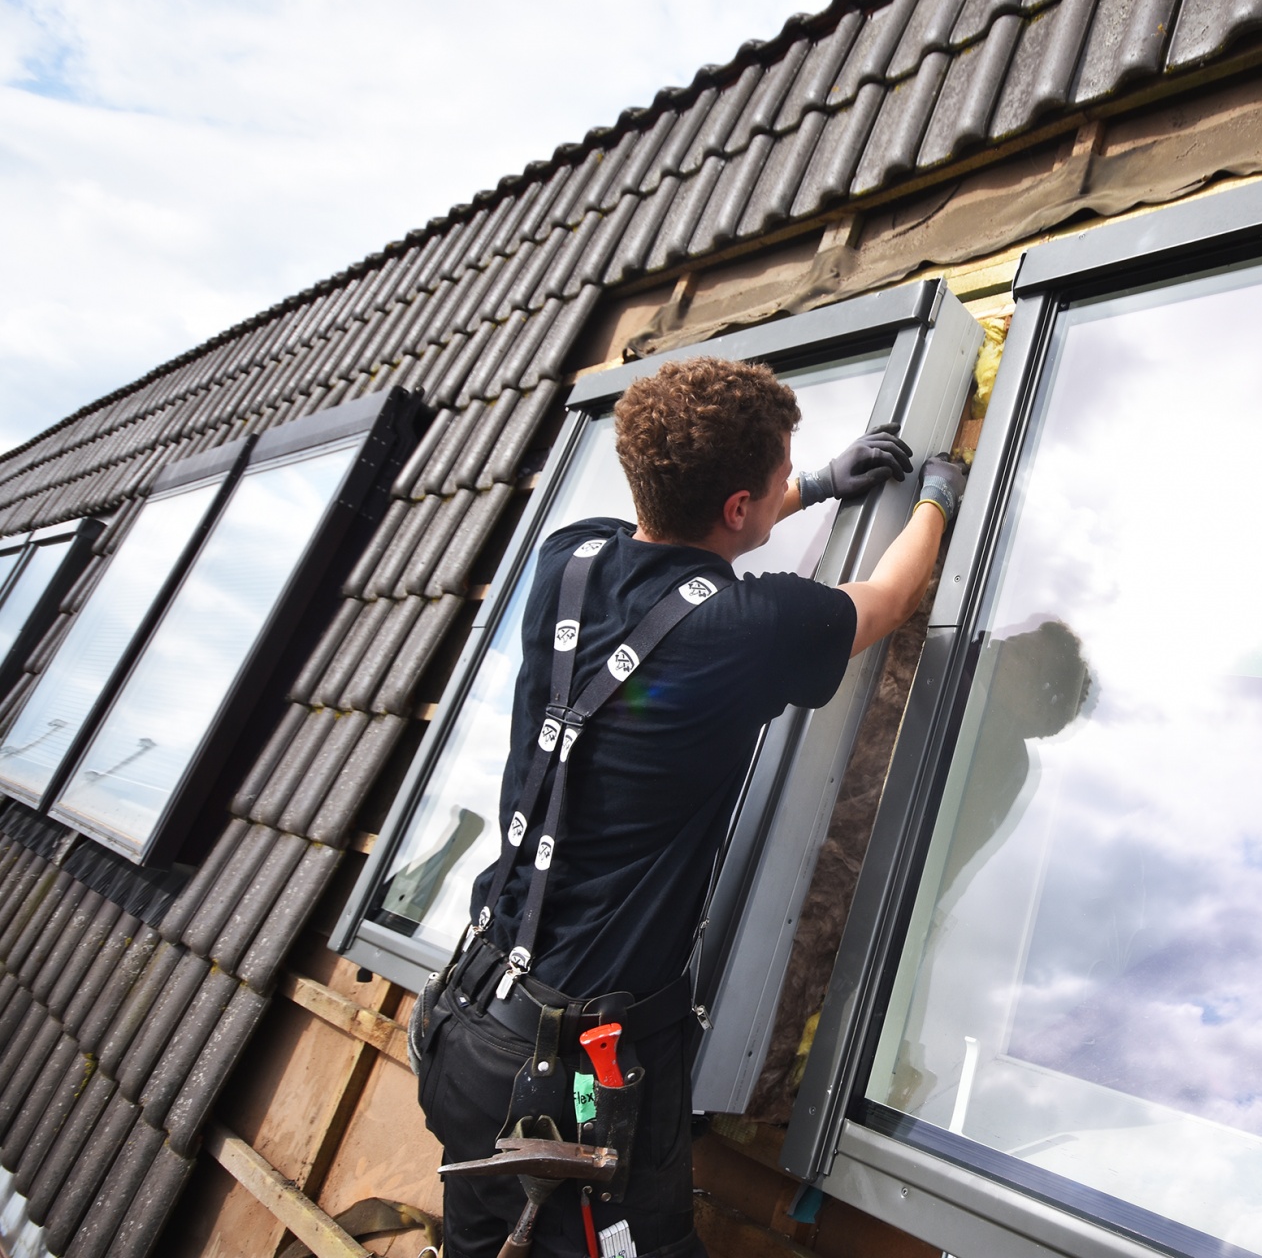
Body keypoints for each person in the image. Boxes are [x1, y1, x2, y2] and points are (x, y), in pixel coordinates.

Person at [411, 356, 966, 1258]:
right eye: (784, 470)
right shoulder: (746, 630)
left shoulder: (570, 560)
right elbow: (893, 598)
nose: (796, 475)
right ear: (740, 506)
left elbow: (671, 538)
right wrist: (940, 494)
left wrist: (819, 486)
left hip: (471, 1023)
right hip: (575, 1098)